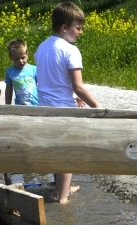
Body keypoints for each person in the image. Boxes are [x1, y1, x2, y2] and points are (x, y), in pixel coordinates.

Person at [35, 2, 101, 204]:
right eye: (78, 28)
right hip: (64, 111)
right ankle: (62, 200)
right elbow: (78, 86)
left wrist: (72, 95)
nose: (80, 32)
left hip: (44, 109)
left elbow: (51, 79)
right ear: (65, 28)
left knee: (57, 151)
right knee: (68, 154)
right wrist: (98, 109)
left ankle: (61, 188)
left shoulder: (41, 48)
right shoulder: (71, 50)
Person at [4, 39, 38, 106]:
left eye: (23, 57)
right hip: (19, 107)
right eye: (16, 59)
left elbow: (42, 86)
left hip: (36, 105)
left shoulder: (34, 69)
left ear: (27, 55)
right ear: (10, 57)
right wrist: (7, 105)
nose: (20, 61)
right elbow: (8, 90)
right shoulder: (10, 72)